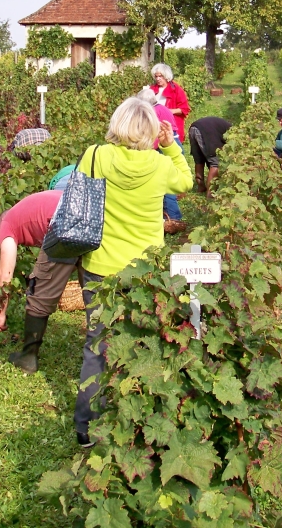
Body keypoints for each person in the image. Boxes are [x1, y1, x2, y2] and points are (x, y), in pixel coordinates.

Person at [72, 97, 194, 447]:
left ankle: (85, 428)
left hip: (98, 265)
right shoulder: (158, 165)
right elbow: (185, 182)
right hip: (143, 270)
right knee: (141, 340)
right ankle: (134, 420)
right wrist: (170, 147)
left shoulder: (95, 155)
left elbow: (79, 188)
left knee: (97, 344)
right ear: (153, 132)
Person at [0, 190, 74, 374]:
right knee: (95, 292)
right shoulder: (26, 209)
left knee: (39, 292)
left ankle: (28, 358)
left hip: (64, 222)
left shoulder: (7, 223)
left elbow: (5, 273)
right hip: (89, 219)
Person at [137, 86, 184, 231]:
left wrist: (149, 150)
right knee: (168, 180)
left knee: (165, 182)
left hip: (166, 144)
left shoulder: (153, 112)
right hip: (173, 141)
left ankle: (173, 217)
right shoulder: (162, 108)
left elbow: (158, 134)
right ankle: (169, 215)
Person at [188, 116, 232, 197]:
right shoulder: (234, 134)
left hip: (194, 128)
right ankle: (210, 194)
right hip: (207, 131)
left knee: (199, 160)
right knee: (215, 162)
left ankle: (201, 187)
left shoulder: (223, 126)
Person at [149, 63, 191, 142]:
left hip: (172, 126)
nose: (158, 79)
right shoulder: (151, 89)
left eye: (160, 76)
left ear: (166, 76)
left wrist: (167, 111)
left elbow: (184, 109)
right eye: (156, 76)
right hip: (155, 125)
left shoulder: (176, 89)